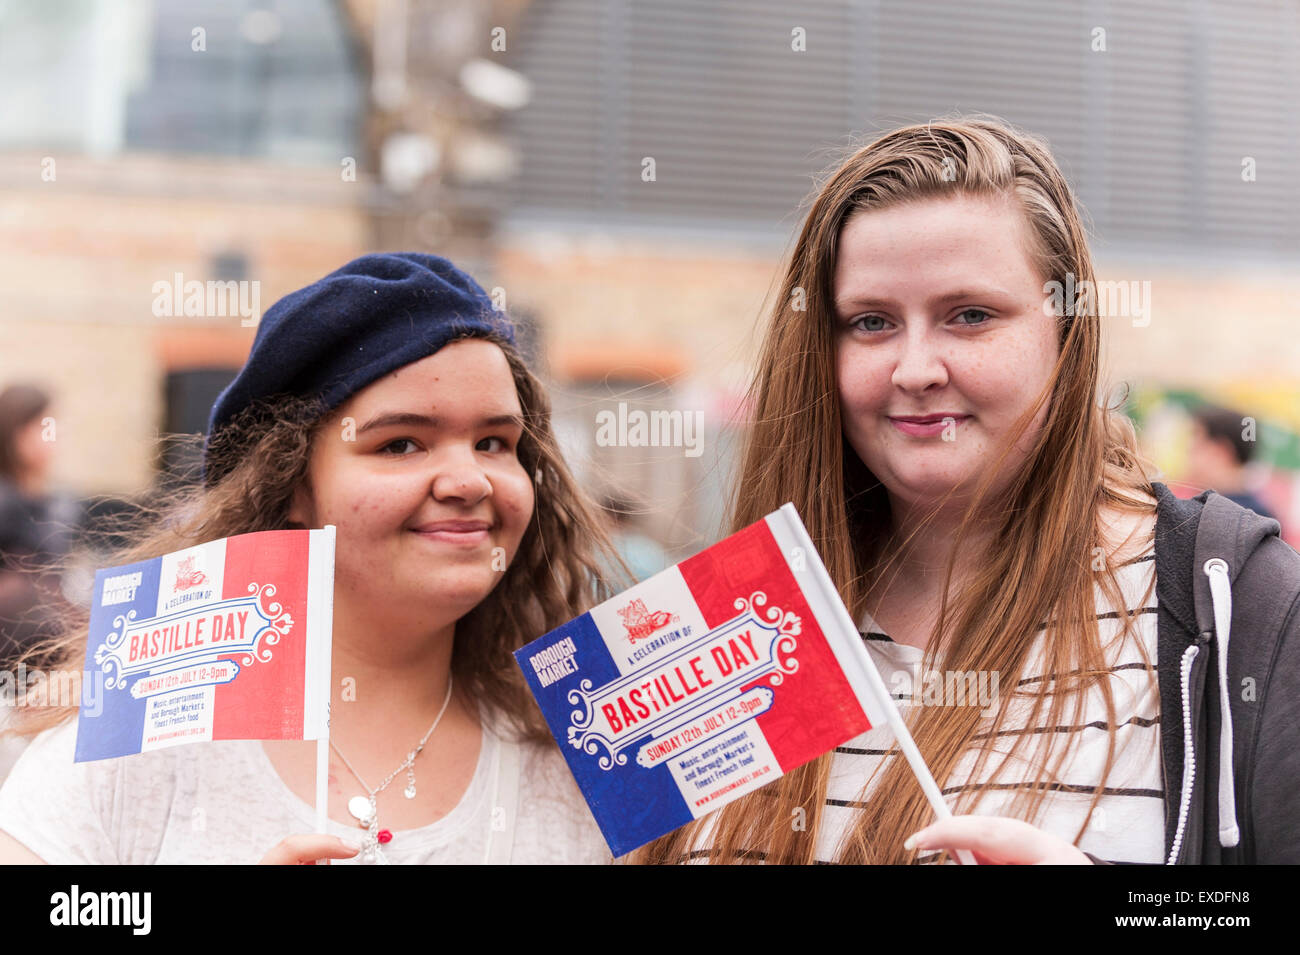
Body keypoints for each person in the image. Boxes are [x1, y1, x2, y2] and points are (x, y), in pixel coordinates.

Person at [637, 116, 1300, 865]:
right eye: (871, 321)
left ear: (1067, 334)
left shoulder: (1240, 608)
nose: (915, 368)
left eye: (971, 315)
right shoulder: (729, 629)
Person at [0, 253, 621, 864]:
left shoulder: (595, 759)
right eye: (401, 443)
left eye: (494, 442)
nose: (469, 480)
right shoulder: (135, 743)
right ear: (294, 486)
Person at [0, 383, 85, 669]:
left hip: (51, 634)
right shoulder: (5, 501)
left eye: (52, 426)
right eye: (39, 427)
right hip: (17, 645)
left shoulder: (63, 502)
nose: (51, 436)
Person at [1185, 401, 1278, 522]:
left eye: (1197, 446)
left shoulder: (1242, 518)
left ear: (1221, 451)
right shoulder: (1257, 511)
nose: (1188, 452)